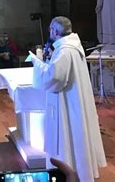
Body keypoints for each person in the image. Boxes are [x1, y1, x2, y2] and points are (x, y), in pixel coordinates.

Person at [29, 16, 106, 182]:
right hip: (74, 100)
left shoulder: (65, 51)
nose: (49, 32)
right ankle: (79, 169)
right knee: (76, 134)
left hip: (67, 103)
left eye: (51, 29)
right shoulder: (72, 46)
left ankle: (68, 171)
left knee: (67, 134)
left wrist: (37, 63)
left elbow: (55, 78)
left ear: (55, 31)